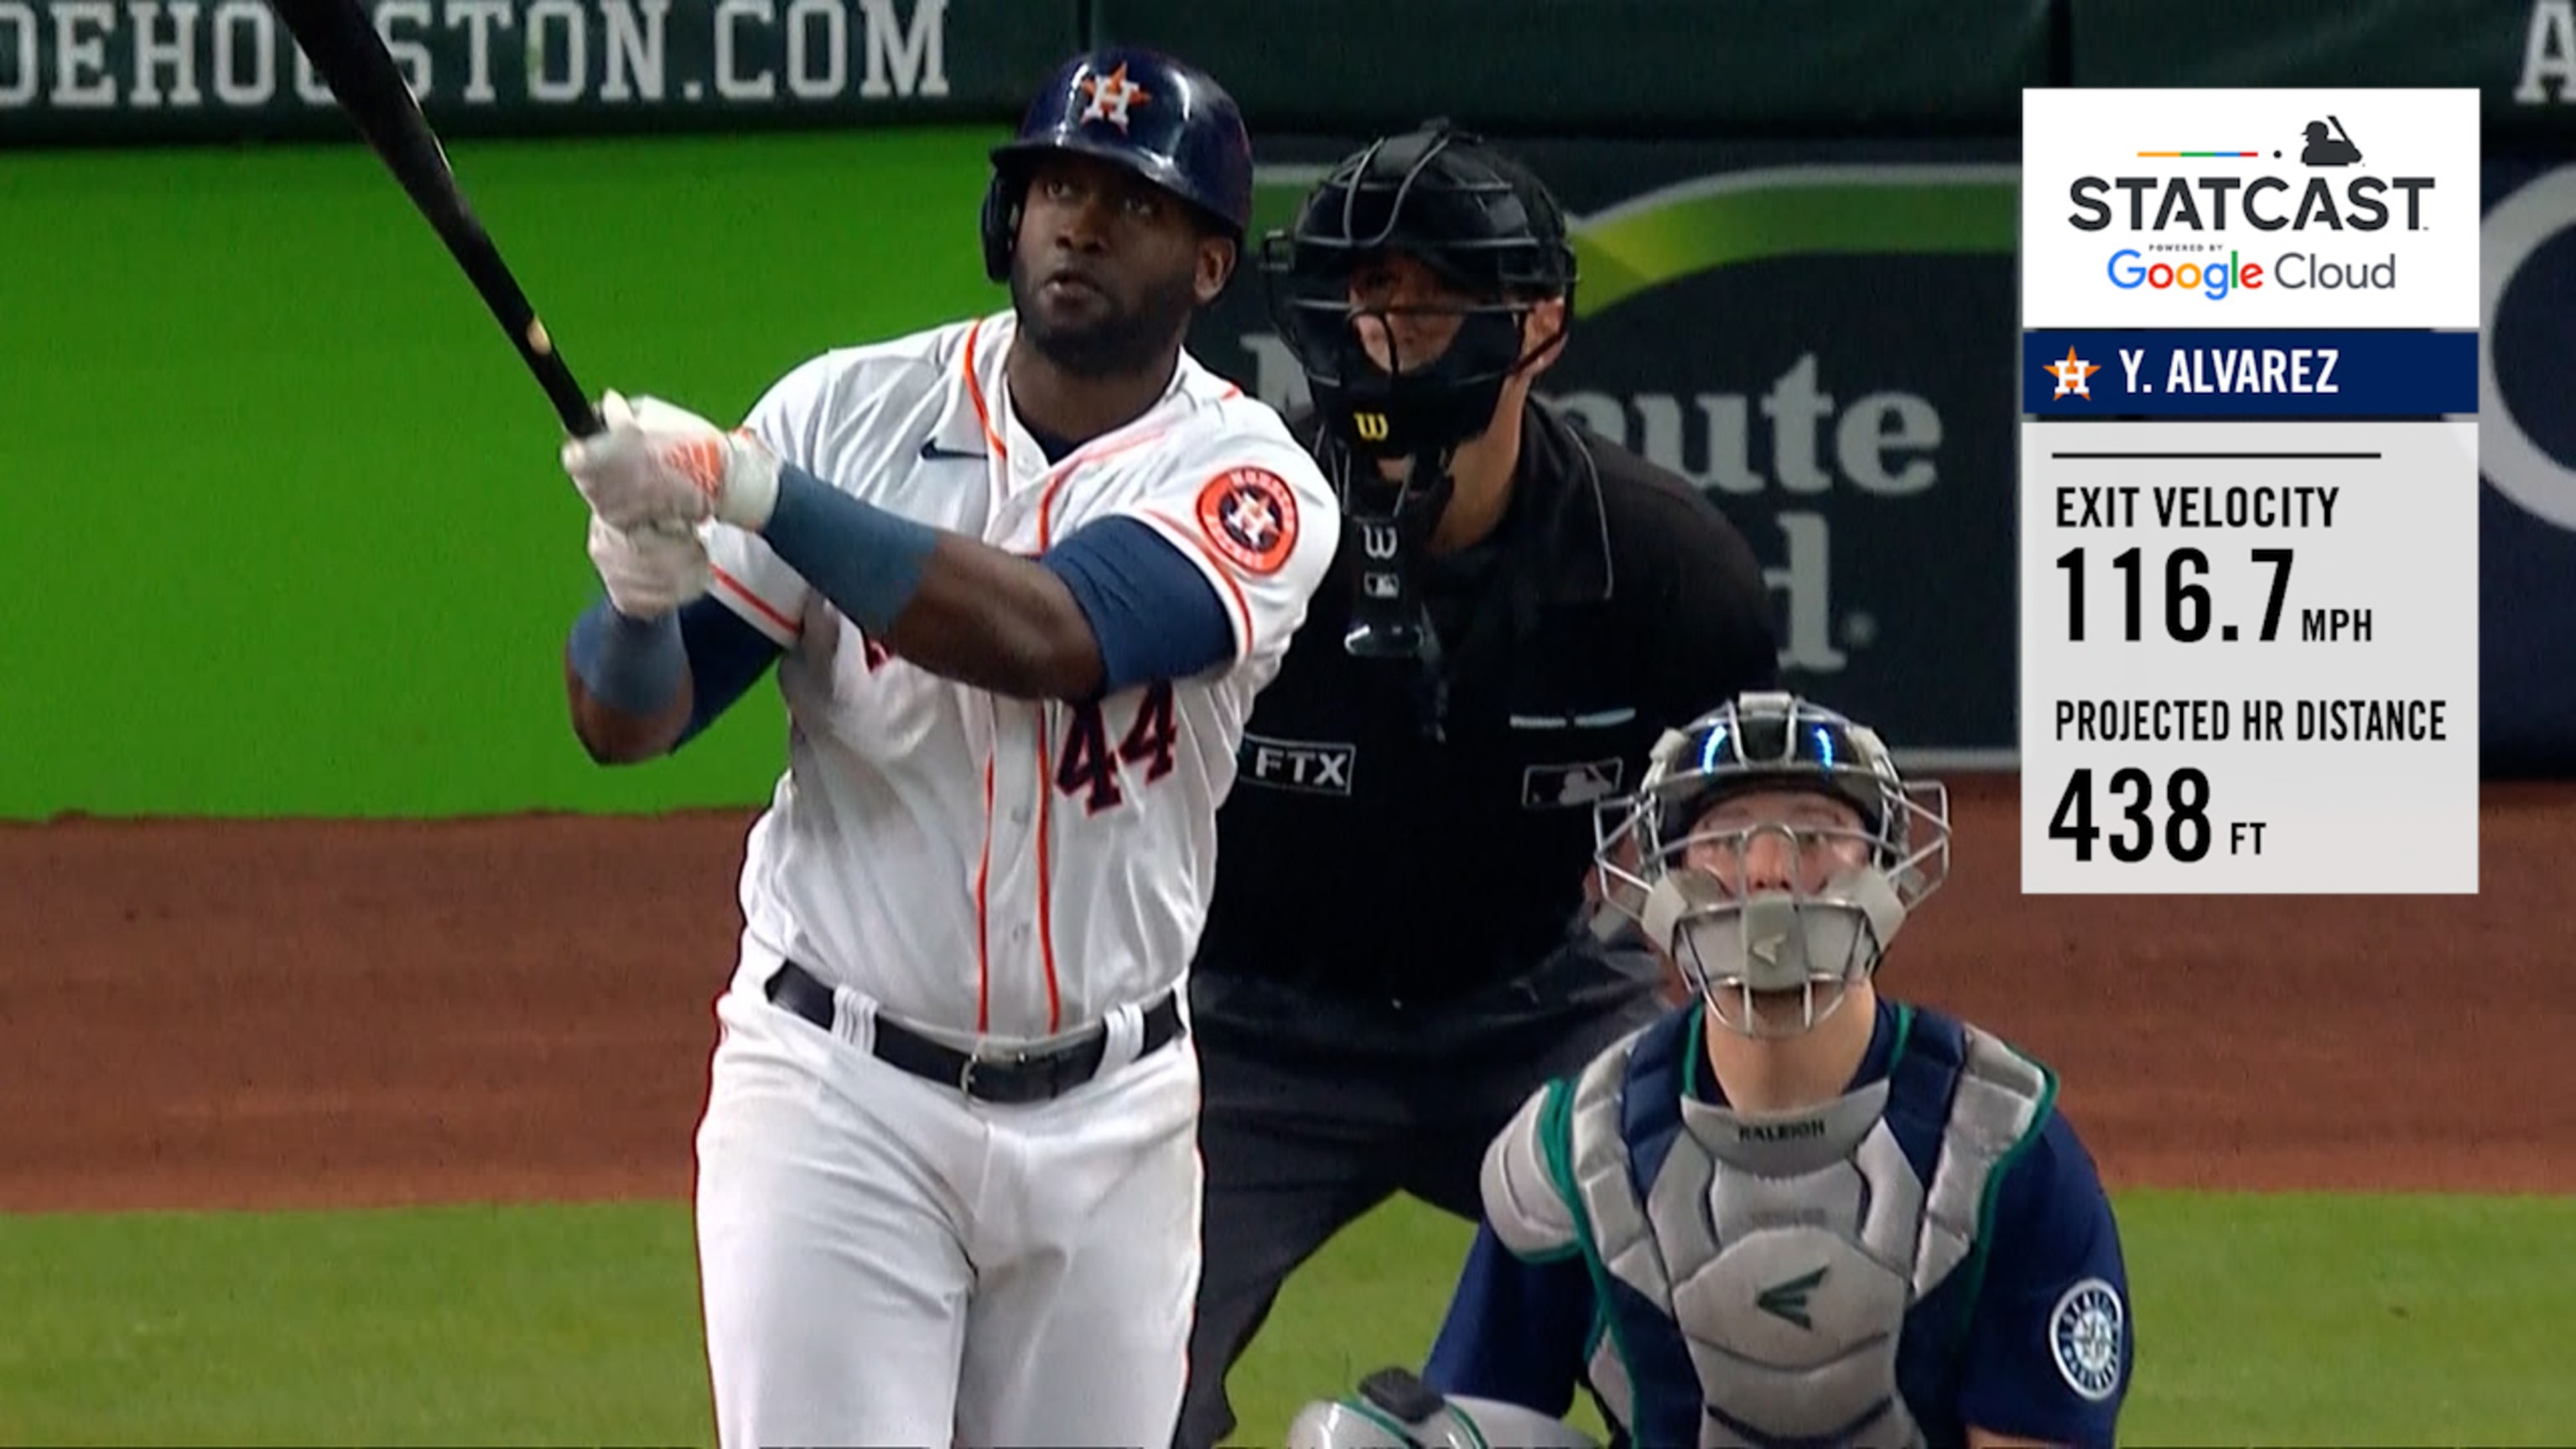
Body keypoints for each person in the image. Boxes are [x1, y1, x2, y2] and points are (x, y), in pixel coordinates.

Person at [551, 47, 1340, 1449]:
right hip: (837, 1097)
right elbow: (634, 723)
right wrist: (633, 595)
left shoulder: (1254, 480)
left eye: (1131, 201)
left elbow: (1051, 634)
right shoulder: (845, 411)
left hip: (1114, 1121)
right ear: (1008, 216)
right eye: (1053, 184)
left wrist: (751, 489)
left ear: (1211, 266)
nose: (1079, 222)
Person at [1176, 120, 1781, 1449]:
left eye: (1437, 295)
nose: (1390, 331)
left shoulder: (1665, 569)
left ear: (1541, 326)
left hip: (1543, 1014)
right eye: (1365, 291)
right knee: (1109, 1376)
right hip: (1245, 1031)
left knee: (1743, 1340)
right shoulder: (1222, 531)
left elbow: (1758, 837)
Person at [1287, 690, 2136, 1449]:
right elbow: (1469, 1411)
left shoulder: (2001, 1144)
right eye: (1727, 839)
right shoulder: (1575, 1150)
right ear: (1667, 875)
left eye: (1814, 833)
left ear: (1884, 871)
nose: (1768, 871)